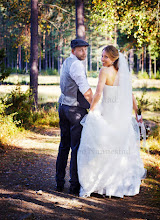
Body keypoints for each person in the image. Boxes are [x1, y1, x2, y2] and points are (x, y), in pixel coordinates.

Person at [77, 45, 146, 198]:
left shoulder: (104, 71)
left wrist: (92, 109)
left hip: (107, 114)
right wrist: (137, 112)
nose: (102, 59)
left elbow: (99, 93)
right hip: (120, 117)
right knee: (119, 147)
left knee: (102, 146)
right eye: (102, 56)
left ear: (114, 58)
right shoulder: (122, 74)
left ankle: (103, 185)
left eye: (106, 57)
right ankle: (116, 186)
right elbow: (131, 94)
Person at [56, 39, 93, 195]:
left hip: (63, 106)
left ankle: (59, 182)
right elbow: (85, 89)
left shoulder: (67, 62)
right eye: (80, 50)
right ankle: (74, 186)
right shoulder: (77, 65)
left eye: (85, 49)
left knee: (64, 145)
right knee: (76, 147)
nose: (83, 53)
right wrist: (95, 106)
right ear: (73, 51)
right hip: (74, 109)